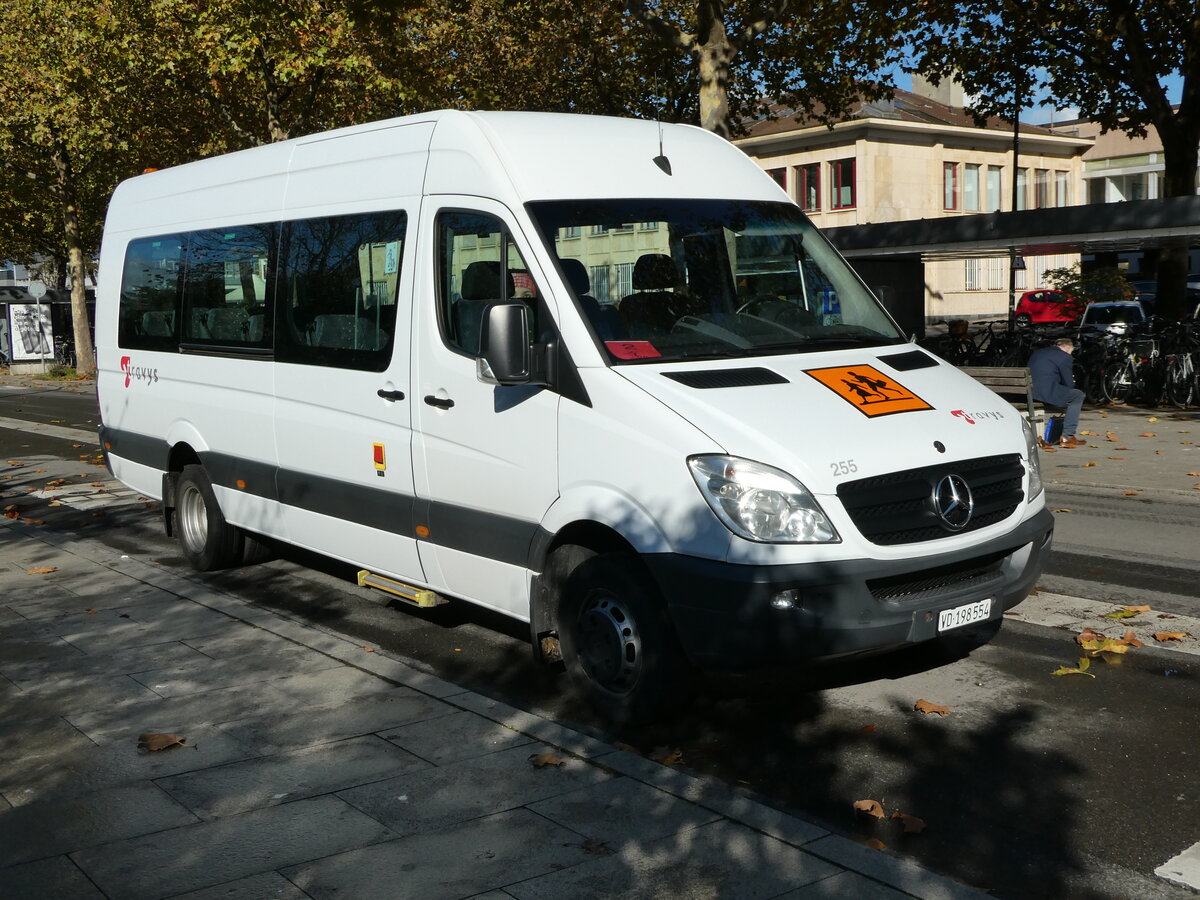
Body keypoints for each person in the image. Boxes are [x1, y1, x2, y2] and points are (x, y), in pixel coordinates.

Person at [1029, 337, 1085, 448]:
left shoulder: (1038, 352)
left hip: (1028, 391)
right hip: (1043, 392)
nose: (1070, 354)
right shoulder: (1065, 357)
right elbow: (1068, 383)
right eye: (1071, 352)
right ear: (1068, 347)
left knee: (1068, 394)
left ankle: (1067, 434)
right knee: (1078, 395)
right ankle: (1067, 435)